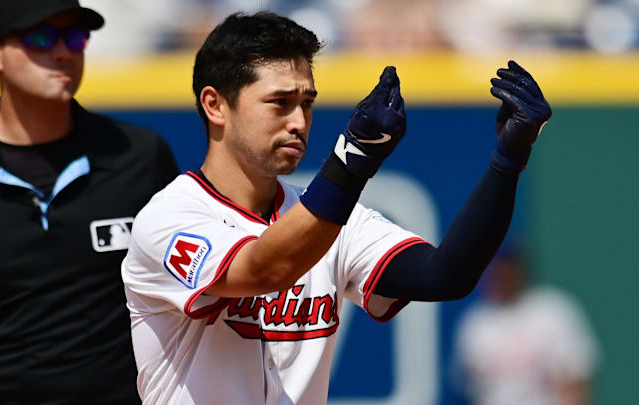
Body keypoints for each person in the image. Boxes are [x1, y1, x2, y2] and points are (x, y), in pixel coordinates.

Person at [121, 11, 552, 405]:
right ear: (215, 105)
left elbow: (446, 274)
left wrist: (507, 161)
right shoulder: (169, 218)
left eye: (307, 102)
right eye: (279, 102)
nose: (299, 121)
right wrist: (350, 165)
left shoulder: (329, 218)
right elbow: (262, 271)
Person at [0, 0, 179, 404]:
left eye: (75, 36)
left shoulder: (141, 157)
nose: (62, 51)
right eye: (40, 36)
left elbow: (189, 300)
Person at [455, 242, 599, 405]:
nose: (502, 275)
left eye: (508, 268)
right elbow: (471, 386)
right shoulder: (476, 323)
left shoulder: (553, 311)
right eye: (497, 268)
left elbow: (576, 381)